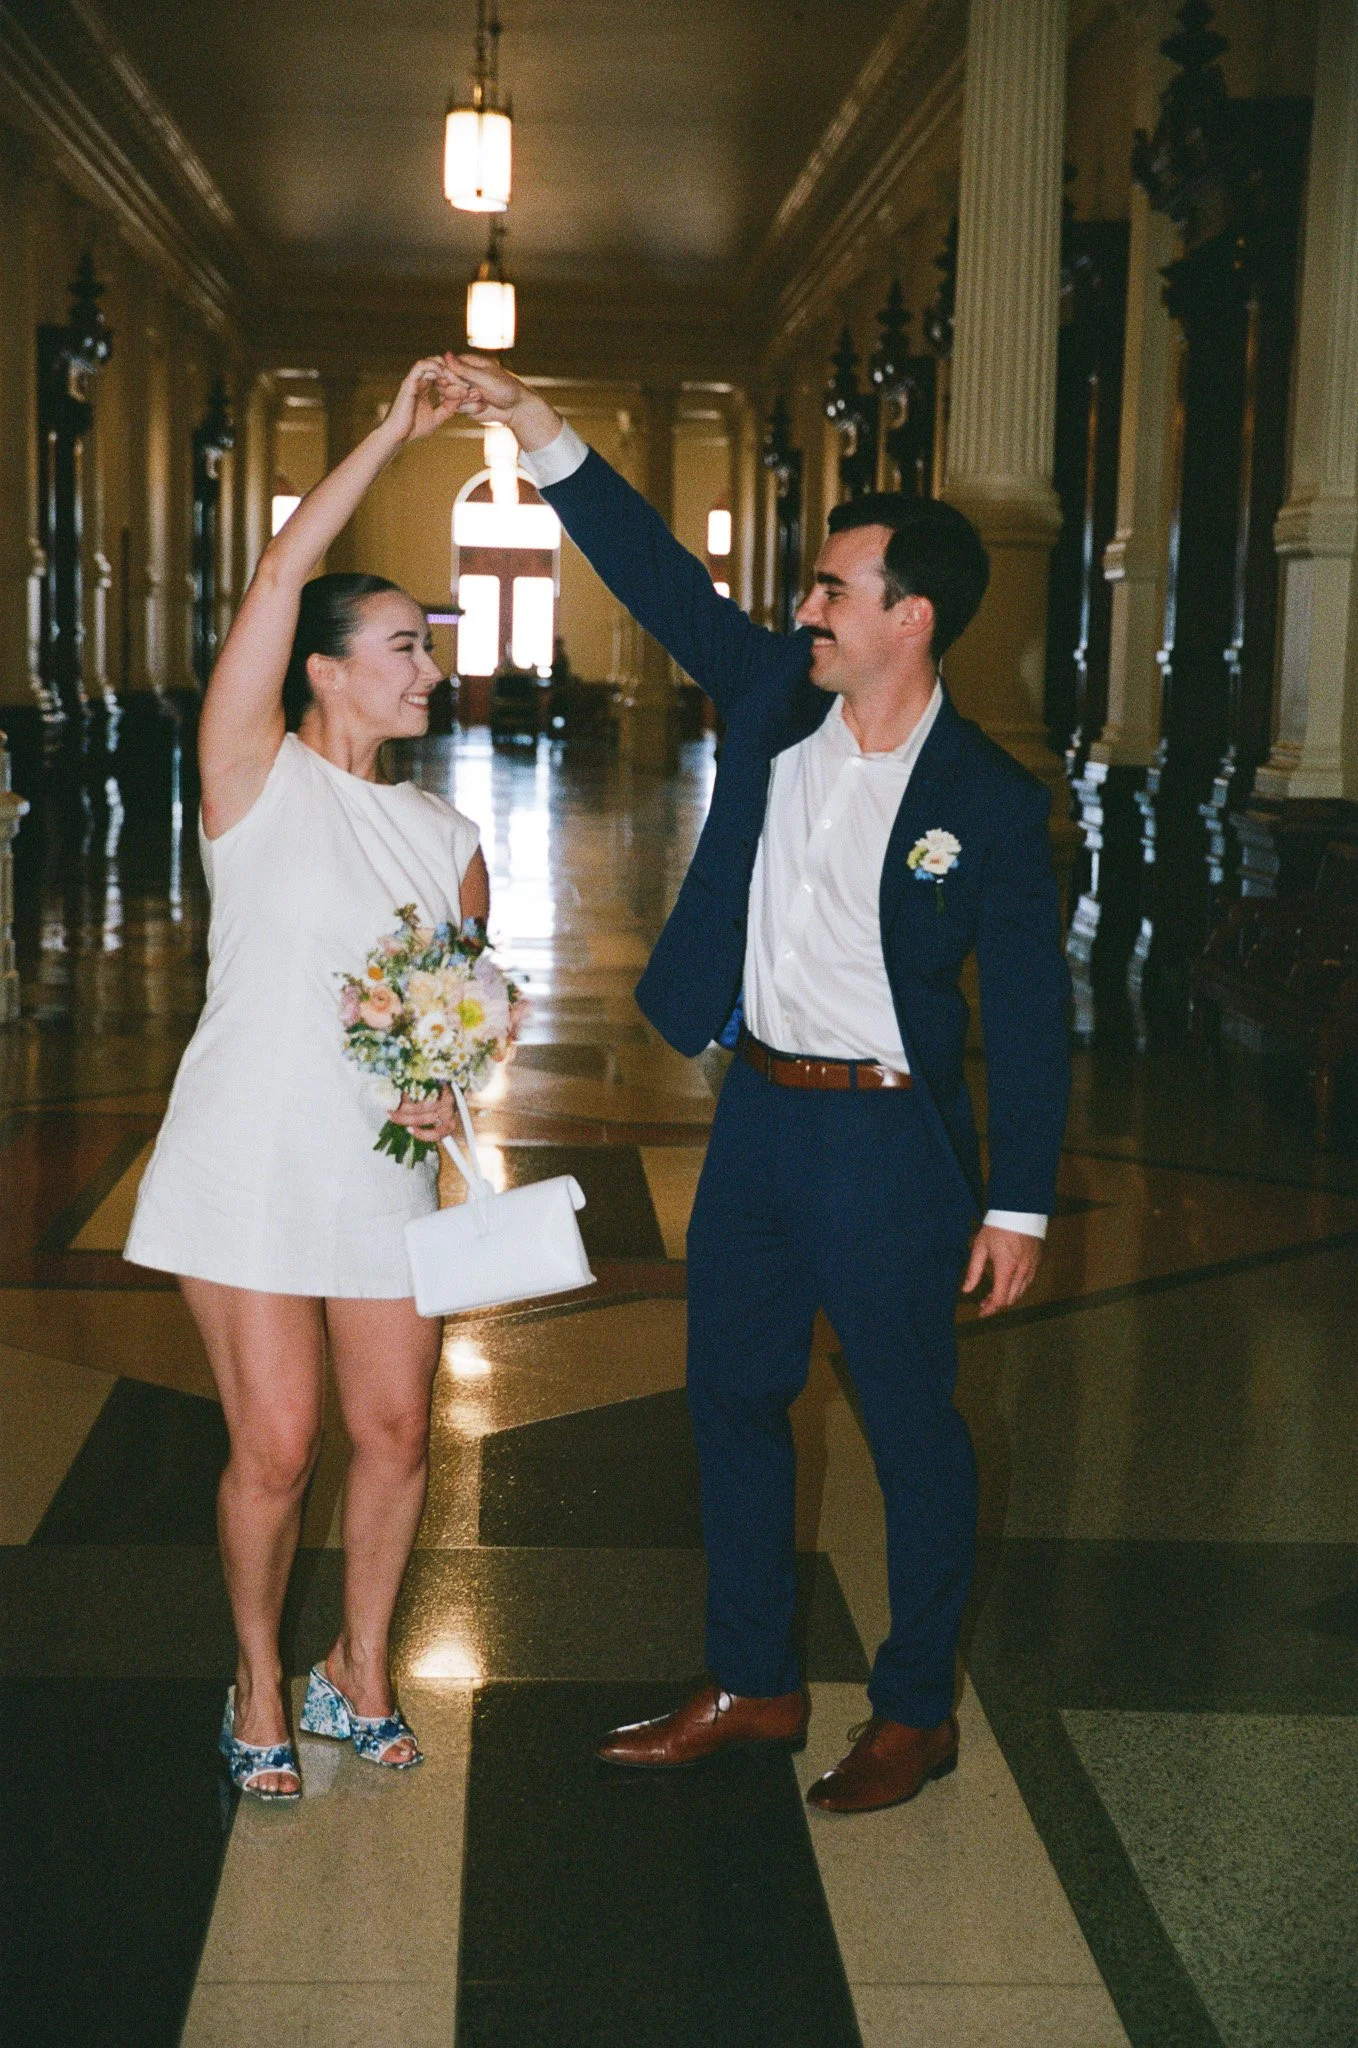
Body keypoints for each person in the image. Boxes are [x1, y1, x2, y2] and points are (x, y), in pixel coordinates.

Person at [445, 352, 1070, 1814]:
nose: (804, 610)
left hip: (891, 1143)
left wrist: (1020, 1203)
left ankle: (913, 1711)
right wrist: (538, 428)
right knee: (730, 1396)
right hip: (760, 1118)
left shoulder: (987, 799)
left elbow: (1034, 1011)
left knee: (910, 1428)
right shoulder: (775, 697)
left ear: (909, 616)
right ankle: (752, 1683)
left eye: (833, 590)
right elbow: (657, 575)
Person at [125, 359, 486, 1799]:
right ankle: (261, 1678)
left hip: (378, 1168)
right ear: (323, 666)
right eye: (401, 645)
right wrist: (391, 435)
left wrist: (450, 1088)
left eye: (429, 648)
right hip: (248, 1154)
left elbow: (458, 1010)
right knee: (275, 1447)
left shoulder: (448, 836)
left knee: (394, 1434)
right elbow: (280, 571)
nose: (428, 668)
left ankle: (360, 1668)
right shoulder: (252, 776)